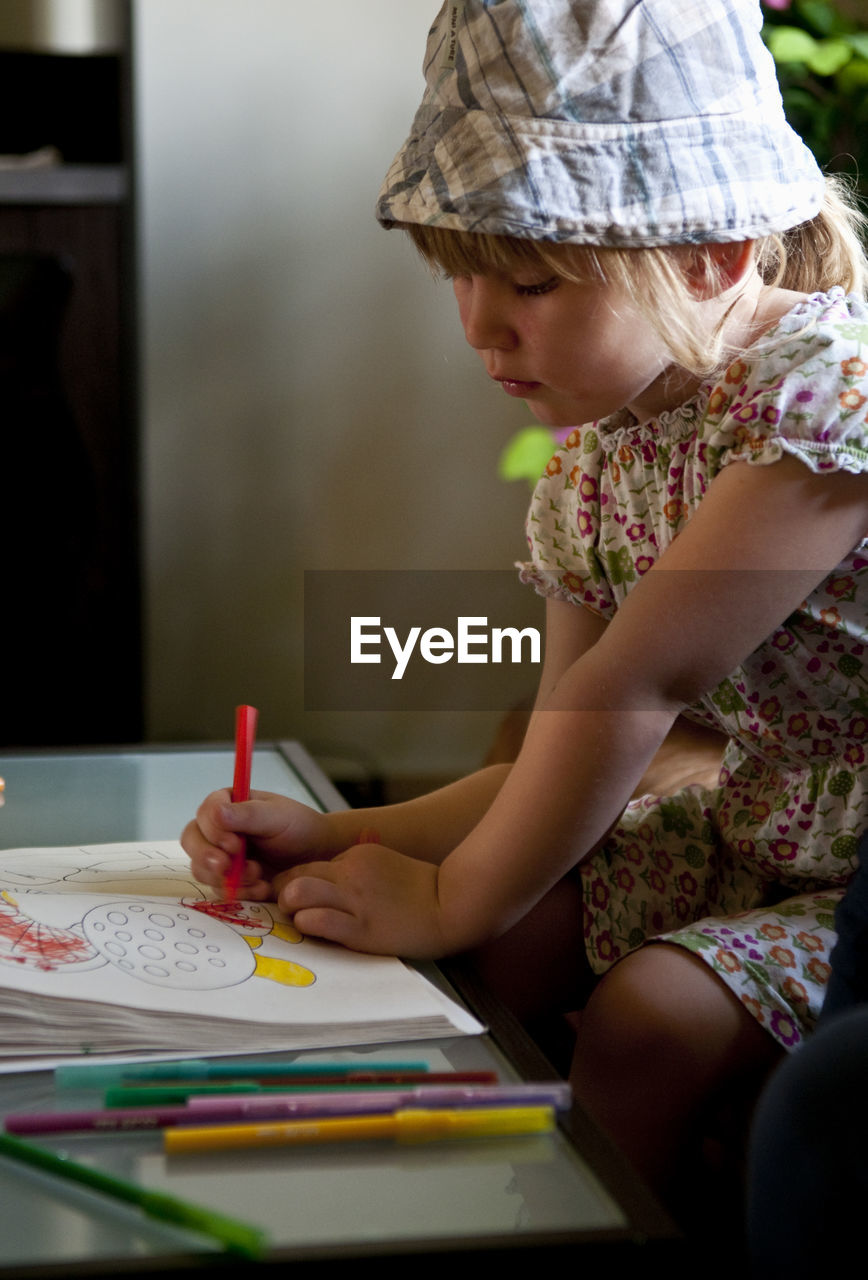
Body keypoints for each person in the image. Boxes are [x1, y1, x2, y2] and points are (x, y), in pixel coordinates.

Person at [183, 0, 868, 1221]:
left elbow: (633, 691)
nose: (482, 329)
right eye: (460, 279)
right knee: (514, 943)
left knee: (649, 1013)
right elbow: (568, 726)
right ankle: (476, 1211)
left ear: (710, 253)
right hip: (753, 839)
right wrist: (350, 834)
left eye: (533, 282)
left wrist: (446, 892)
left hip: (857, 880)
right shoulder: (595, 464)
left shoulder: (821, 405)